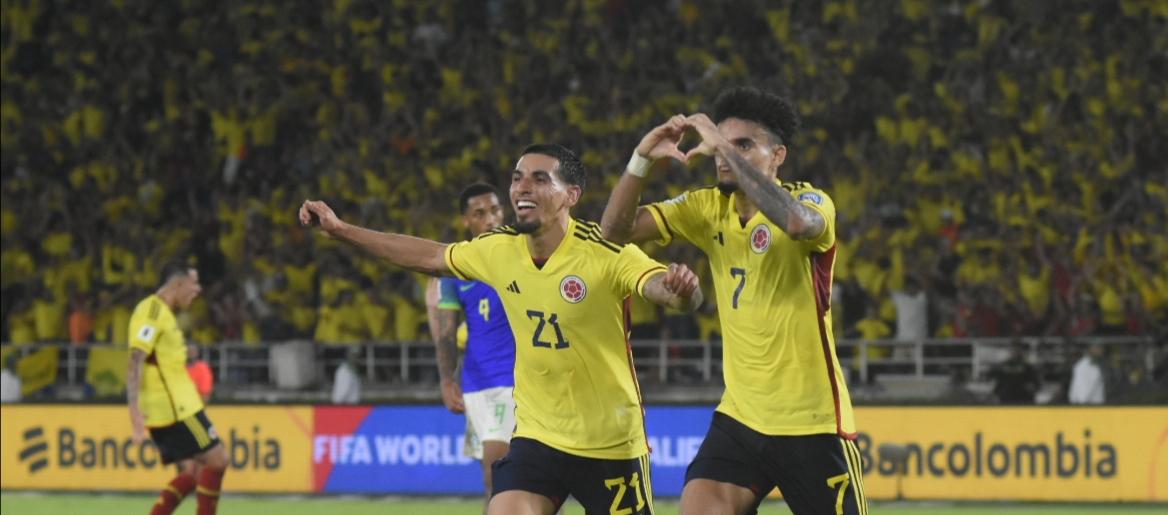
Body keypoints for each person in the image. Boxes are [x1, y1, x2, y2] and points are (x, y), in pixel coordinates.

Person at [300, 143, 703, 515]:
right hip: (537, 437)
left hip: (611, 442)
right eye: (517, 177)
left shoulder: (603, 251)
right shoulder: (499, 249)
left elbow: (665, 290)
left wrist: (680, 290)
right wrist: (342, 229)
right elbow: (430, 255)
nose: (521, 188)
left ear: (571, 195)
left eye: (540, 178)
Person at [601, 87, 866, 515]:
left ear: (778, 155)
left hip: (812, 422)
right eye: (720, 144)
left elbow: (799, 224)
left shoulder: (811, 201)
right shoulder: (707, 208)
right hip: (740, 420)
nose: (721, 155)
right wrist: (641, 158)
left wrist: (720, 142)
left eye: (743, 144)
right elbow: (612, 233)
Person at [424, 182, 517, 513]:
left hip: (520, 380)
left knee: (523, 474)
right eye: (480, 214)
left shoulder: (522, 253)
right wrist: (447, 378)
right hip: (478, 383)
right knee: (494, 478)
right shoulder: (455, 269)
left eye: (495, 210)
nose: (490, 219)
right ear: (466, 221)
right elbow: (446, 333)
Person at [127, 262, 229, 515]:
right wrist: (135, 414)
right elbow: (135, 360)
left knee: (192, 474)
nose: (198, 289)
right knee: (218, 461)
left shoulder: (163, 312)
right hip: (177, 409)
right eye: (194, 283)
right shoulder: (152, 311)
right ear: (178, 283)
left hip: (177, 405)